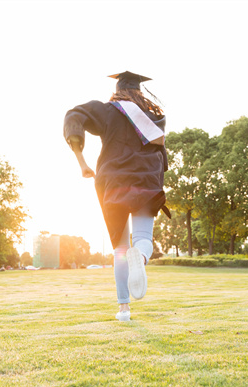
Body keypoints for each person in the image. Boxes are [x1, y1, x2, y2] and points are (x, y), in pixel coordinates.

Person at [64, 71, 170, 322]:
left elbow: (74, 115)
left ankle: (124, 310)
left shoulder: (108, 110)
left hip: (113, 183)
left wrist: (81, 160)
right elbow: (162, 155)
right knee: (143, 240)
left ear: (118, 89)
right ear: (140, 91)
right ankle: (141, 259)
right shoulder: (154, 117)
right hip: (146, 181)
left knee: (120, 249)